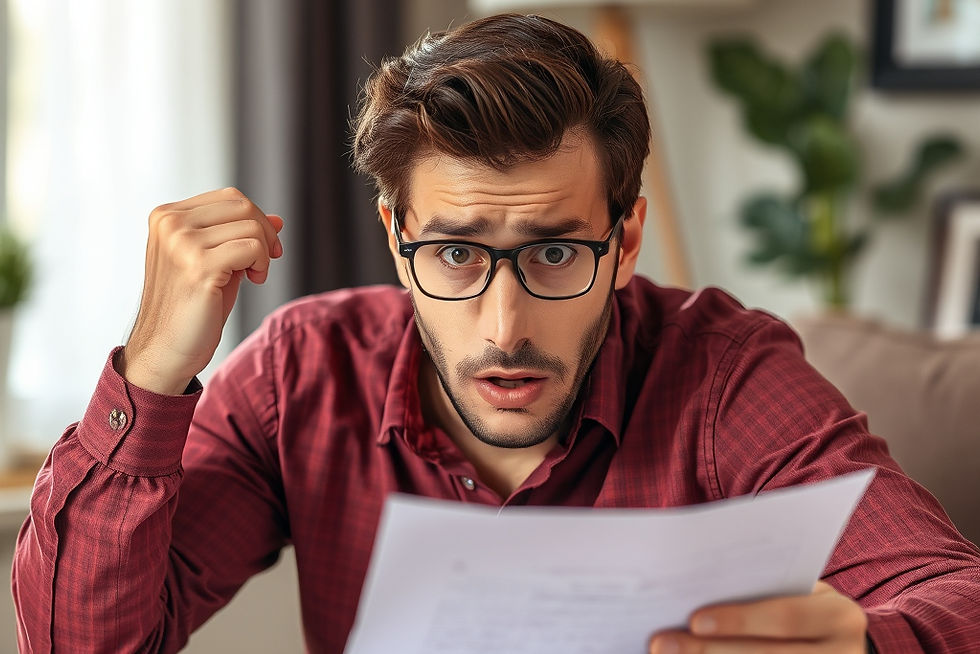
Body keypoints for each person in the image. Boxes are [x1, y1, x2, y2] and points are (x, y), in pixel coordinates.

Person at [11, 13, 980, 654]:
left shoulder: (724, 376)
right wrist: (151, 372)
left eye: (555, 253)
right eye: (455, 253)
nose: (505, 327)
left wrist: (866, 644)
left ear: (625, 240)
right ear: (396, 241)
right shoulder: (301, 375)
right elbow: (81, 646)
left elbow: (950, 595)